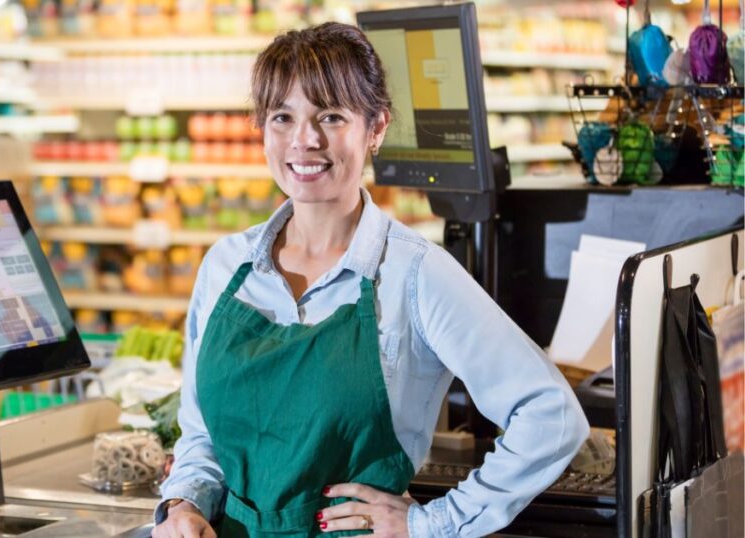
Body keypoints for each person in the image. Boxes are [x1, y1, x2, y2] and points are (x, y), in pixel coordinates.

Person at [151, 22, 589, 538]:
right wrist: (183, 504)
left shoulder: (414, 273)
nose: (305, 140)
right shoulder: (226, 265)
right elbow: (201, 432)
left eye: (331, 116)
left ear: (376, 127)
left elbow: (551, 414)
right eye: (282, 117)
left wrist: (434, 523)